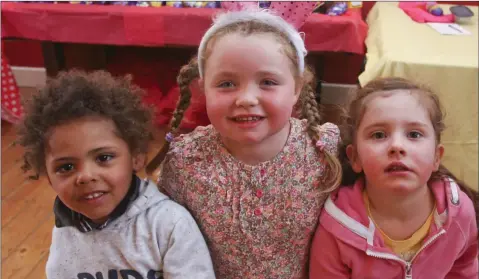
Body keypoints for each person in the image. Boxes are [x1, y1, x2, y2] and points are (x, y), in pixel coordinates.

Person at [145, 9, 342, 279]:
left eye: (268, 82)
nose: (247, 98)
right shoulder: (185, 162)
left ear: (296, 88)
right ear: (204, 89)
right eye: (227, 83)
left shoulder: (324, 149)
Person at [18, 70, 215, 279]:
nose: (85, 176)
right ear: (48, 176)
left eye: (103, 158)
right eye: (66, 167)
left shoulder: (169, 224)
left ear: (136, 157)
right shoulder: (64, 228)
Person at [309, 77, 478, 278]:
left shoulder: (459, 214)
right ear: (355, 157)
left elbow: (462, 271)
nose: (397, 146)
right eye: (379, 135)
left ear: (436, 157)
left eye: (414, 134)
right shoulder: (335, 228)